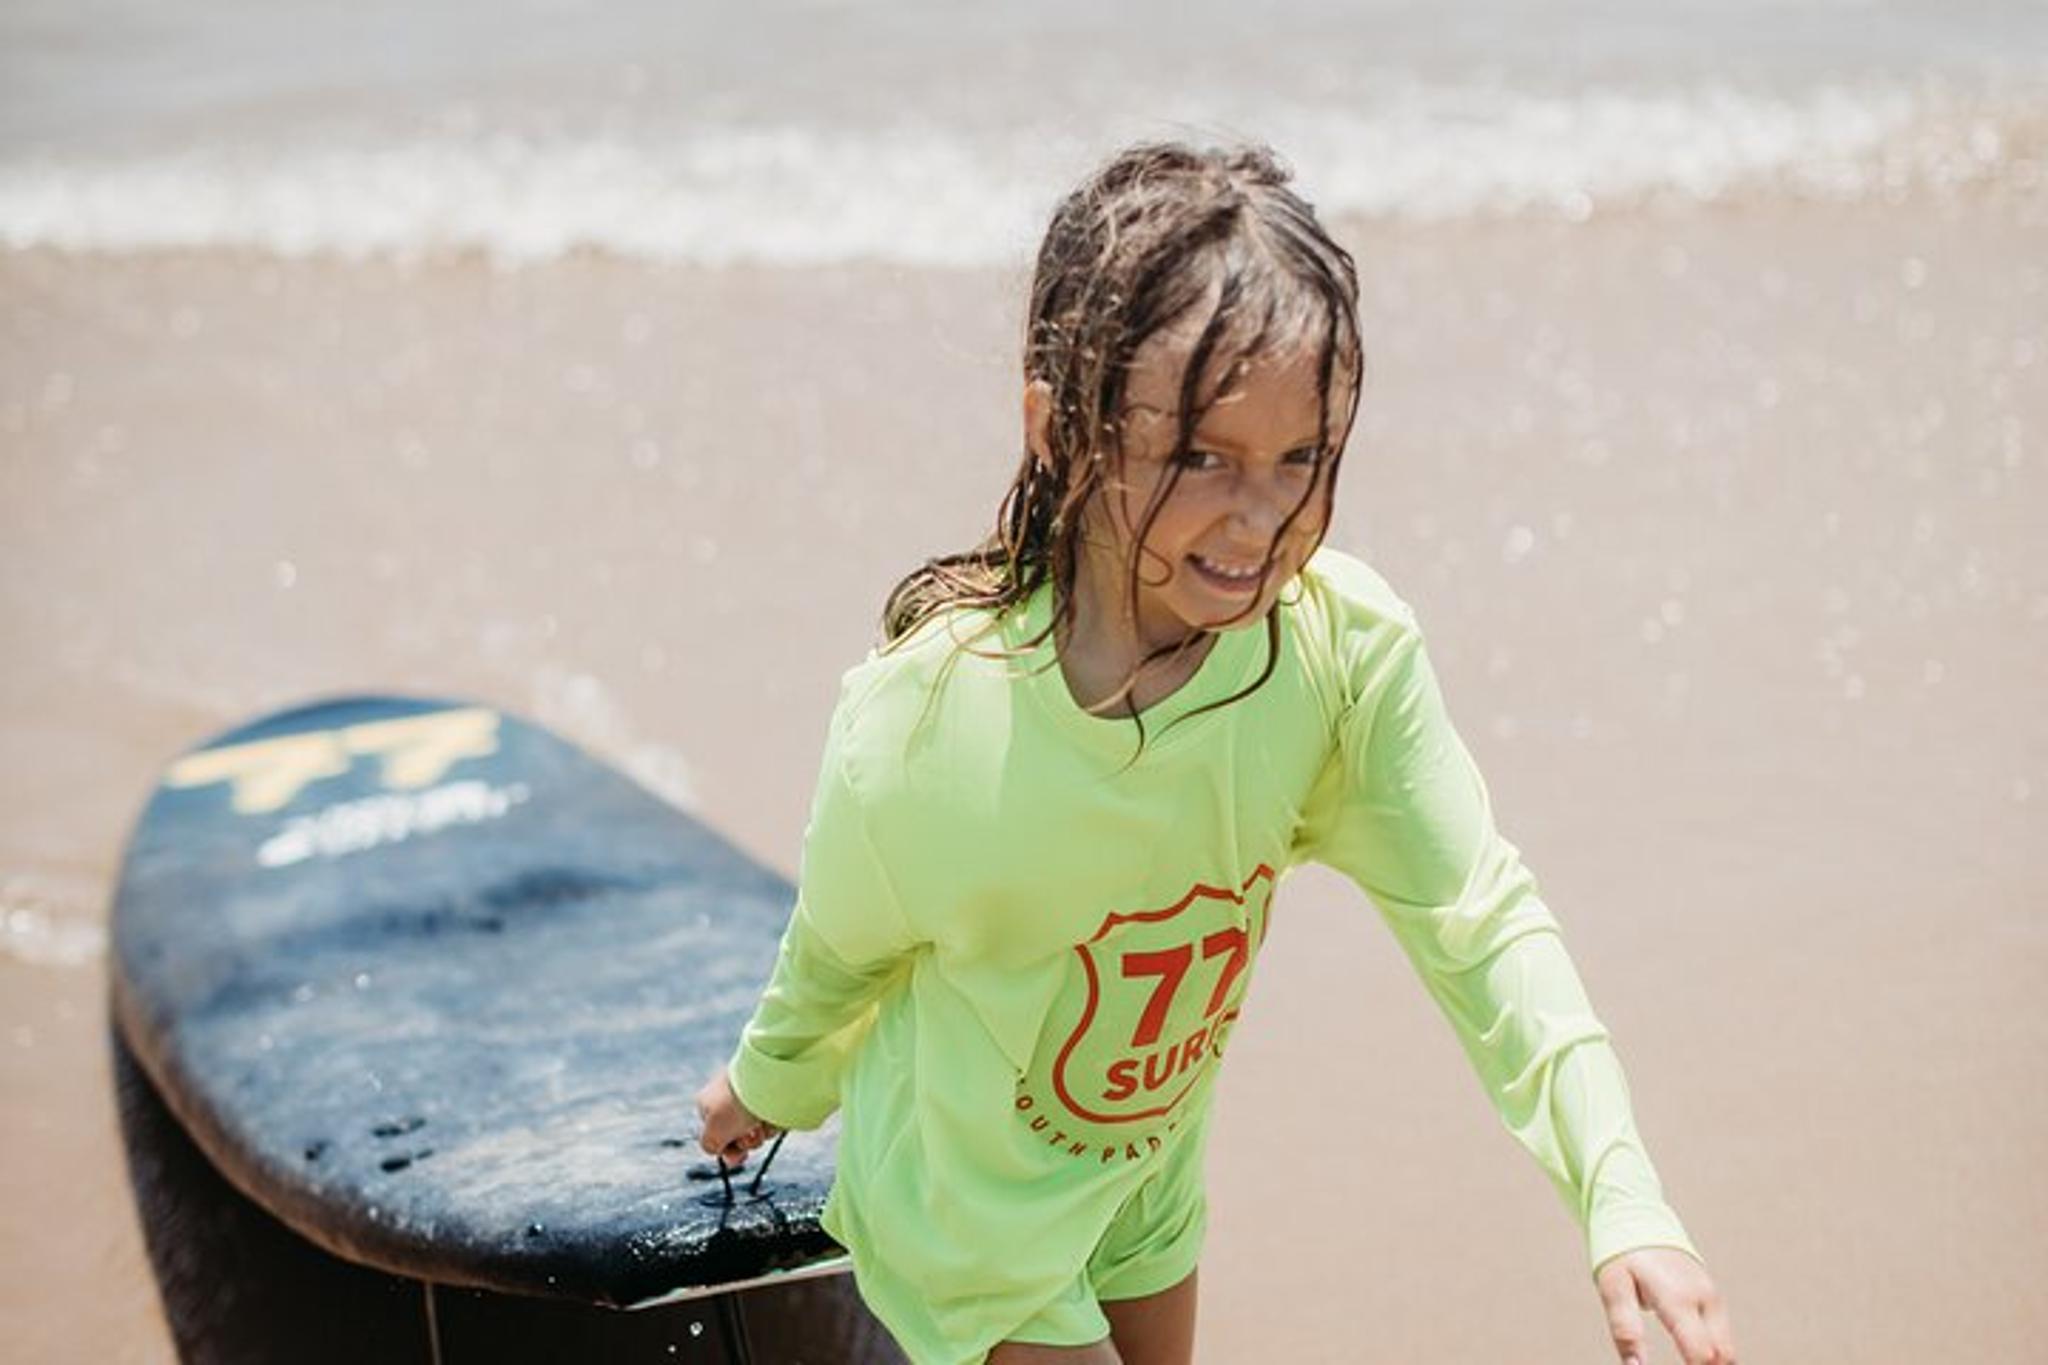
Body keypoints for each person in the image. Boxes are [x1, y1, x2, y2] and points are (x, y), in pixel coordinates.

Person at [696, 141, 1738, 1365]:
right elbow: (839, 948)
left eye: (1301, 458)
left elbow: (1480, 922)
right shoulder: (932, 722)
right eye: (1202, 457)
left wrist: (1621, 1202)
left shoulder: (1334, 659)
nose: (1263, 519)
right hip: (966, 1208)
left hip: (1144, 1173)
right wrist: (763, 1091)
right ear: (1057, 426)